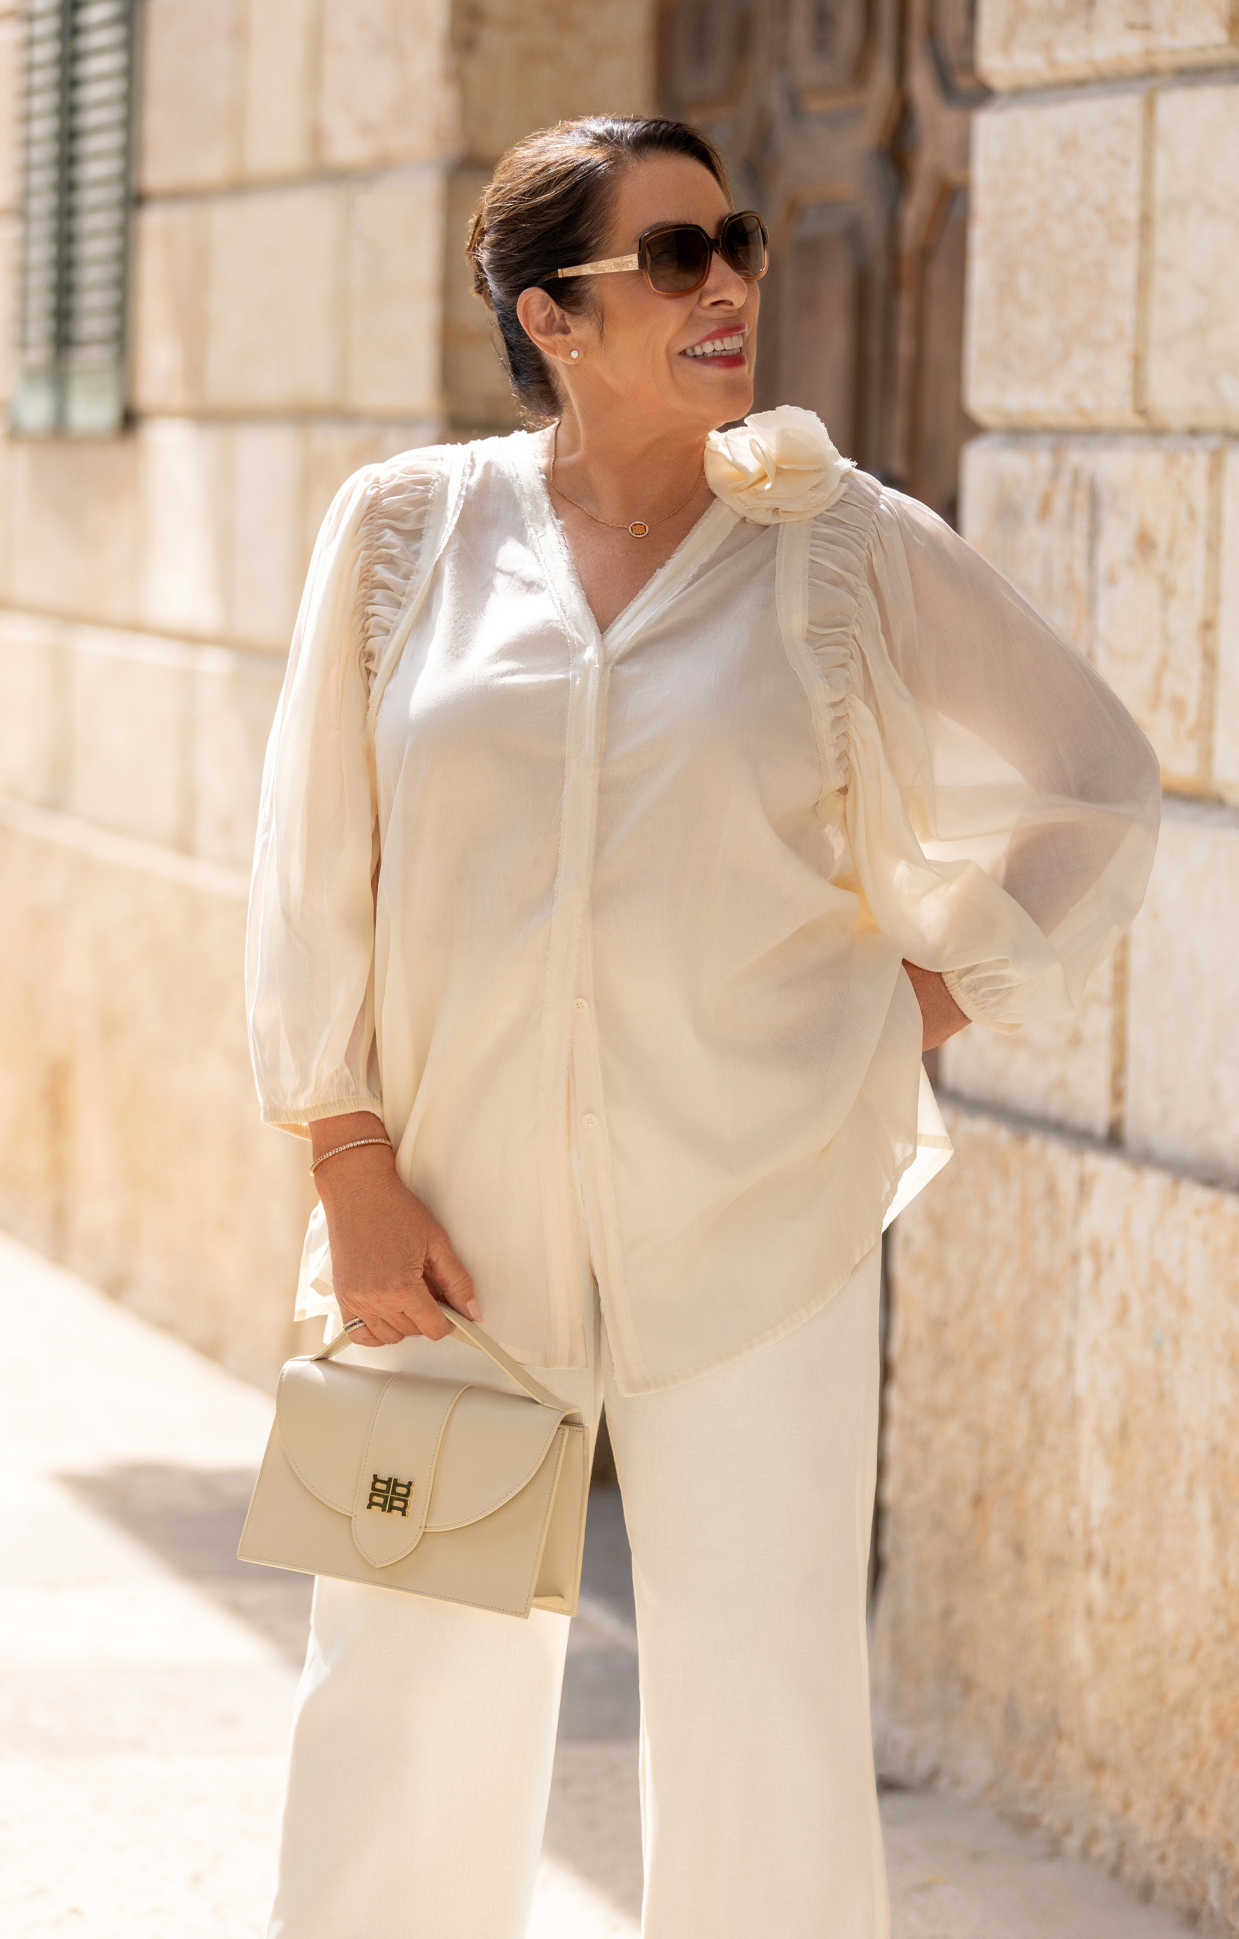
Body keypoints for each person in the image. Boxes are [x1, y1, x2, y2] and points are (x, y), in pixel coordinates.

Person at [245, 114, 1159, 1939]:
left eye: (733, 241)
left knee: (761, 1705)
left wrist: (913, 1004)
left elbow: (1094, 781)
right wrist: (345, 1154)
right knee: (402, 1690)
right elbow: (309, 863)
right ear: (550, 315)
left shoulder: (838, 541)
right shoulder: (409, 529)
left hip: (761, 1209)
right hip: (447, 1225)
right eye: (672, 258)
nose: (729, 282)